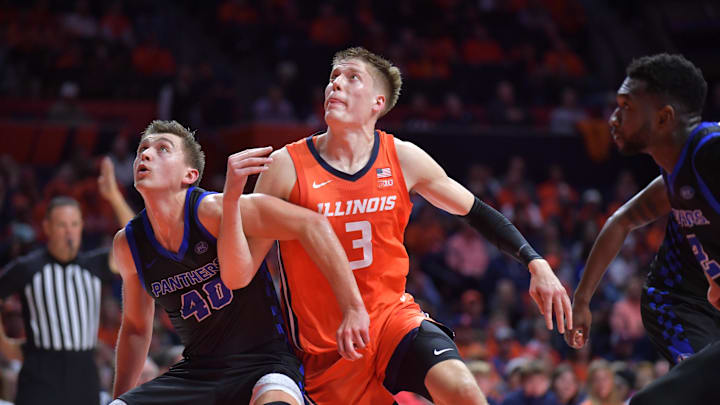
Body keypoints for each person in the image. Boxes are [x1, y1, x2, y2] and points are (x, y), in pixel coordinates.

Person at [254, 46, 572, 405]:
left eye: (351, 77)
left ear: (378, 102)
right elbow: (248, 264)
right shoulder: (285, 166)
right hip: (323, 345)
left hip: (392, 320)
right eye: (333, 78)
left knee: (464, 389)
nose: (335, 85)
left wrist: (535, 261)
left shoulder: (403, 158)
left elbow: (476, 211)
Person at [110, 120, 369, 405]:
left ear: (190, 174)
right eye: (142, 149)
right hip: (199, 373)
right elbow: (135, 329)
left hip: (265, 364)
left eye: (162, 149)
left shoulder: (213, 210)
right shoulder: (129, 243)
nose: (145, 155)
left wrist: (353, 307)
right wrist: (121, 397)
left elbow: (313, 224)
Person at [562, 53, 720, 404]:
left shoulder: (711, 149)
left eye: (626, 107)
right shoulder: (676, 175)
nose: (613, 118)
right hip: (682, 302)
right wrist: (583, 299)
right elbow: (621, 221)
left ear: (664, 118)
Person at [0, 157, 134, 405]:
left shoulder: (95, 265)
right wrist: (5, 344)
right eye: (62, 225)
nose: (69, 231)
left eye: (74, 224)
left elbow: (137, 243)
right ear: (47, 227)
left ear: (82, 227)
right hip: (39, 376)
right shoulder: (28, 268)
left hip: (83, 375)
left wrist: (114, 196)